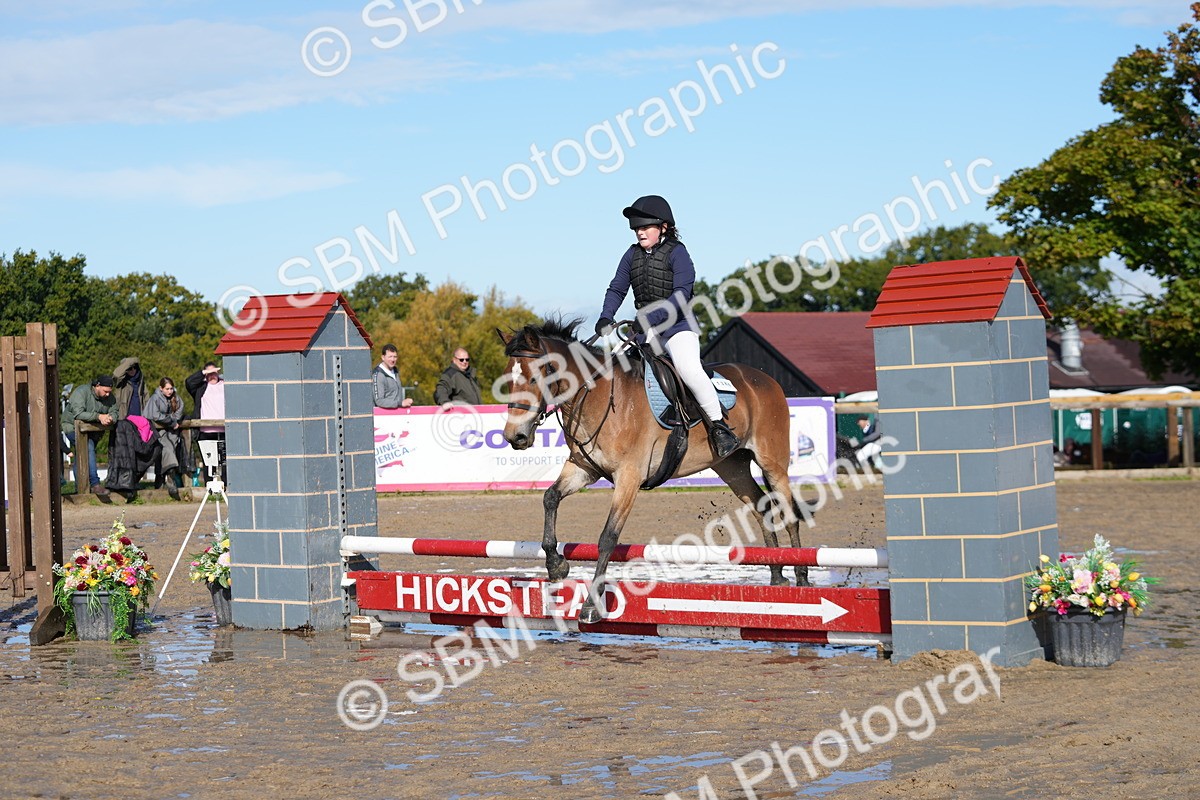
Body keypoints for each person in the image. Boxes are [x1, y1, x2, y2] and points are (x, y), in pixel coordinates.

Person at [595, 194, 740, 458]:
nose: (639, 232)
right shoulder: (631, 255)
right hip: (644, 329)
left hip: (677, 327)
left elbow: (681, 295)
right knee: (620, 371)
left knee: (689, 369)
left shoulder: (678, 253)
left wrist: (650, 317)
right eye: (637, 228)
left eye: (645, 227)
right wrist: (606, 315)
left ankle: (720, 427)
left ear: (663, 227)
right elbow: (617, 288)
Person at [61, 375, 119, 496]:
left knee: (82, 456)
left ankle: (80, 490)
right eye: (105, 391)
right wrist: (99, 416)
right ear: (97, 386)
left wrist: (111, 418)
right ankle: (95, 484)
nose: (108, 394)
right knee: (88, 447)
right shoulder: (81, 392)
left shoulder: (109, 396)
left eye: (109, 392)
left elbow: (115, 411)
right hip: (72, 427)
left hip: (93, 429)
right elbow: (78, 414)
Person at [145, 377, 188, 500]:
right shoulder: (155, 398)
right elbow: (155, 415)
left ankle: (161, 482)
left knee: (168, 452)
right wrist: (170, 421)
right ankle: (170, 477)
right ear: (161, 388)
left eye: (171, 388)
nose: (169, 391)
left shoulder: (177, 398)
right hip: (156, 432)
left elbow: (179, 412)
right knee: (166, 449)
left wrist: (171, 420)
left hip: (172, 432)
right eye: (167, 389)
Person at [186, 361, 226, 484]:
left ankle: (226, 487)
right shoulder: (201, 387)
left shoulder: (225, 384)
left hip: (224, 430)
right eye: (209, 373)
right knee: (209, 462)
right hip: (205, 431)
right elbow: (189, 382)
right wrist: (204, 373)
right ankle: (209, 489)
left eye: (214, 372)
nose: (212, 375)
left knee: (224, 462)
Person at [373, 343, 413, 409]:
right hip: (384, 416)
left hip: (396, 415)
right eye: (390, 357)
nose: (393, 360)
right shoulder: (378, 375)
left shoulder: (395, 371)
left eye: (395, 357)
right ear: (383, 357)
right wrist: (400, 403)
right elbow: (379, 401)